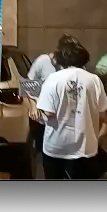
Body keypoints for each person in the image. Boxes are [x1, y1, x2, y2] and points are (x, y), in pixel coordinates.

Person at [36, 41, 107, 179]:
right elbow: (103, 112)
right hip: (85, 147)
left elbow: (48, 112)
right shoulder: (94, 80)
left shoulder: (53, 79)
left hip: (56, 146)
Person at [24, 34, 80, 178]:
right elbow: (27, 84)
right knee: (44, 155)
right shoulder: (43, 61)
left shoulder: (70, 65)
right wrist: (33, 105)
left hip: (61, 120)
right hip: (42, 118)